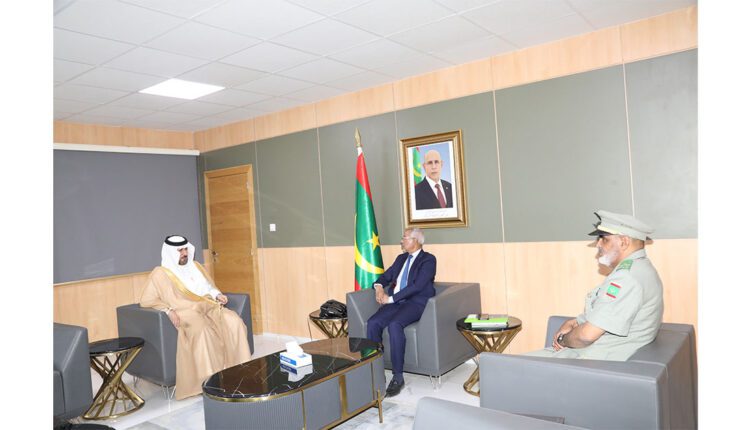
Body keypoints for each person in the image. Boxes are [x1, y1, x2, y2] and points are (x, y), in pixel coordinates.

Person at [526, 210, 664, 361]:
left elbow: (586, 336)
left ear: (624, 242)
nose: (598, 244)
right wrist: (575, 322)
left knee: (508, 366)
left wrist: (563, 340)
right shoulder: (641, 268)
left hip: (593, 360)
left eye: (604, 239)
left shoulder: (625, 278)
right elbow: (608, 314)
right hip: (599, 355)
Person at [140, 235, 251, 399]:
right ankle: (210, 383)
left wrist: (217, 294)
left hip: (208, 306)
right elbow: (146, 299)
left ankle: (238, 372)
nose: (184, 253)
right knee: (203, 331)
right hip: (186, 310)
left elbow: (208, 287)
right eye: (180, 251)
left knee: (234, 322)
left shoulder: (196, 266)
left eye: (185, 249)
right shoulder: (160, 273)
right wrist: (168, 310)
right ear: (170, 252)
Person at [367, 228, 437, 397]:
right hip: (395, 302)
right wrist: (378, 288)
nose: (401, 241)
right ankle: (376, 372)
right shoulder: (401, 258)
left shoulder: (428, 260)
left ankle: (398, 377)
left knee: (394, 325)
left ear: (415, 240)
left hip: (415, 303)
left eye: (404, 238)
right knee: (373, 323)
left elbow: (417, 286)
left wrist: (390, 299)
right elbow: (386, 276)